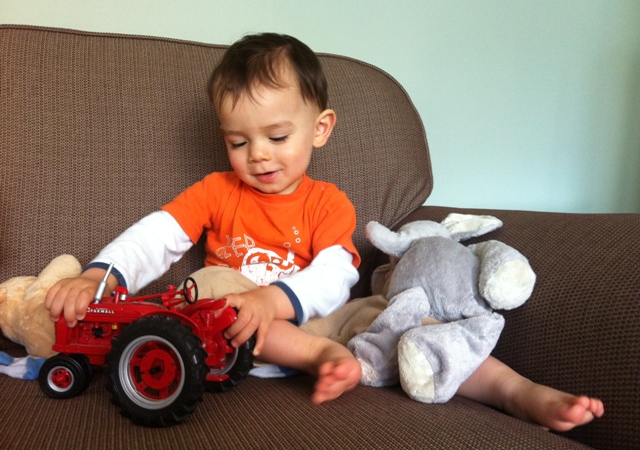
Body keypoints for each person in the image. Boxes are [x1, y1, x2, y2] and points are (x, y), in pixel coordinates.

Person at [45, 33, 604, 429]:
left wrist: (277, 298)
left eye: (277, 137)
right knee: (210, 286)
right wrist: (101, 276)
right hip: (234, 330)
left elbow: (337, 273)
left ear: (320, 129)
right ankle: (319, 359)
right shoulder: (216, 191)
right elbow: (157, 234)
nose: (258, 155)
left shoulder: (327, 201)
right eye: (238, 142)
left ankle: (515, 391)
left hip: (326, 320)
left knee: (407, 315)